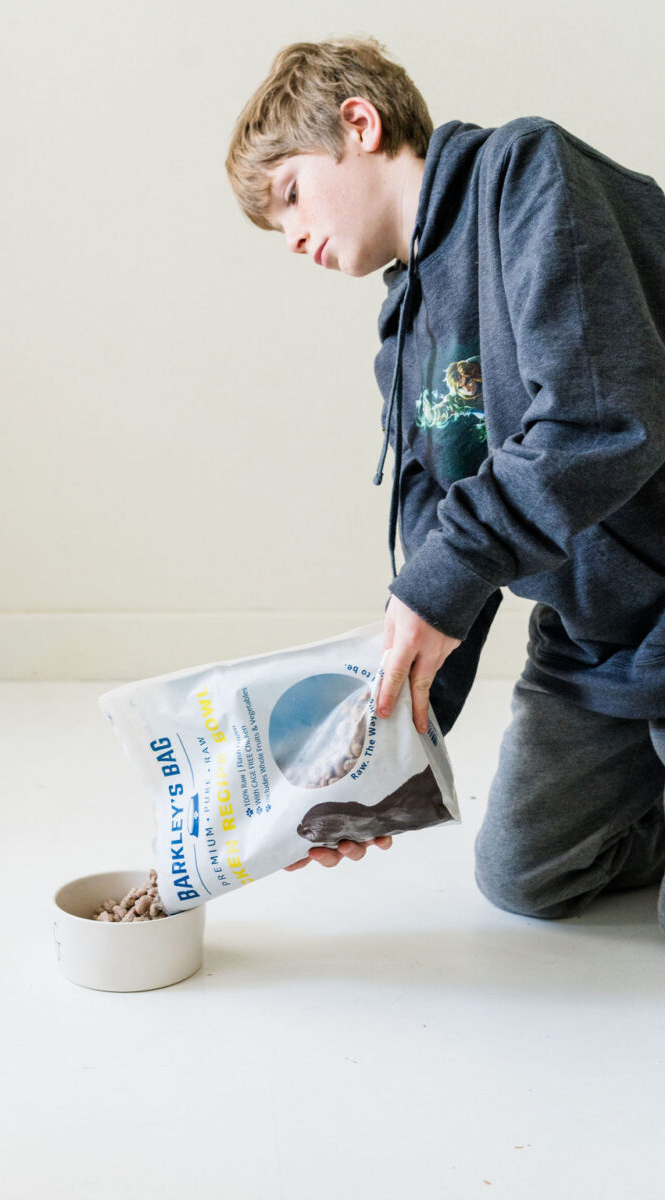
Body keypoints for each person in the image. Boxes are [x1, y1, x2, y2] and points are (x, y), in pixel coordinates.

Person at [224, 35, 665, 929]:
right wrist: (379, 758)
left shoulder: (526, 174)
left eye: (292, 195)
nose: (294, 236)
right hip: (599, 642)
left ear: (359, 123)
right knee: (522, 879)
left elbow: (605, 422)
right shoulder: (405, 339)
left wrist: (445, 578)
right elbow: (444, 559)